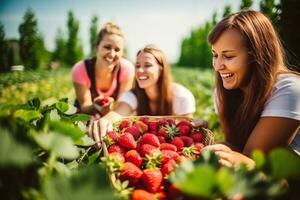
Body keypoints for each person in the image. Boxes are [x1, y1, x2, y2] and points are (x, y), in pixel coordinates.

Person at [203, 10, 300, 168]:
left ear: (257, 55)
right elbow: (236, 148)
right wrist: (197, 139)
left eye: (228, 56)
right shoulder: (225, 93)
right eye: (215, 55)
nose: (218, 66)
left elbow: (255, 161)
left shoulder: (290, 89)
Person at [89, 44, 196, 146]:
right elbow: (118, 113)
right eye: (137, 65)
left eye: (148, 65)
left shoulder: (181, 96)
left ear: (161, 68)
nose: (140, 70)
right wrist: (106, 120)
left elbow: (187, 130)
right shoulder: (133, 95)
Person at [72, 22, 135, 116]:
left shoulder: (126, 69)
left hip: (112, 116)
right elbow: (85, 107)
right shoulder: (81, 69)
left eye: (117, 50)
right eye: (107, 47)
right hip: (85, 117)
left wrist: (110, 109)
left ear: (122, 52)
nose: (112, 54)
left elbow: (121, 106)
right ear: (97, 47)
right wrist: (95, 106)